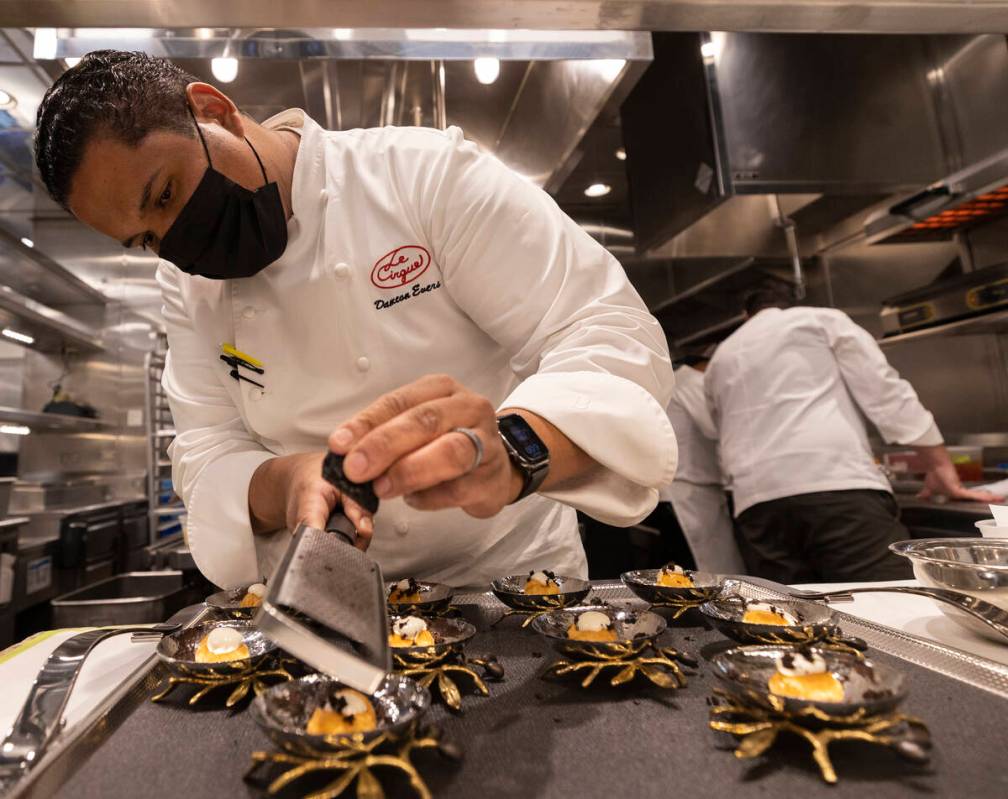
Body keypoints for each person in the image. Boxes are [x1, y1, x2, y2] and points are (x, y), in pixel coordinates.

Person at [34, 51, 678, 589]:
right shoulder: (185, 286)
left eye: (167, 194)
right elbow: (206, 450)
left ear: (213, 109)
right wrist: (287, 481)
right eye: (146, 238)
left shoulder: (422, 176)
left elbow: (605, 329)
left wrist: (513, 450)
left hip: (512, 588)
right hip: (339, 600)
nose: (176, 243)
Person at [704, 285, 1001, 583]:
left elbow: (720, 431)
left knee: (793, 613)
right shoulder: (818, 320)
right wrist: (939, 465)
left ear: (746, 315)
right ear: (790, 305)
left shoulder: (720, 357)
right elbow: (886, 394)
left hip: (756, 506)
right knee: (885, 602)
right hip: (835, 487)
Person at [659, 355, 745, 574]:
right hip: (688, 495)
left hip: (673, 495)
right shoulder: (688, 381)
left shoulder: (668, 381)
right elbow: (721, 426)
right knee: (705, 576)